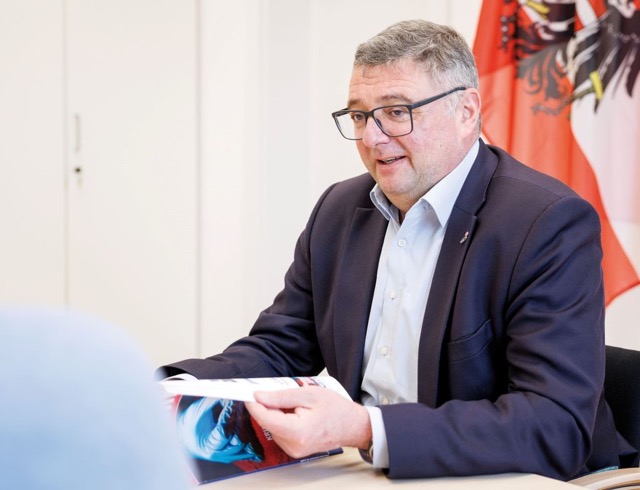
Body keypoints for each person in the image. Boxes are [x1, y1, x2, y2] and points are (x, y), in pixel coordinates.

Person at [160, 19, 638, 480]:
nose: (372, 138)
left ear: (466, 111)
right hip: (371, 471)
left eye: (396, 112)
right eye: (359, 115)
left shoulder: (546, 222)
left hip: (517, 477)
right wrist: (171, 391)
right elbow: (279, 347)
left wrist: (366, 428)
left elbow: (554, 425)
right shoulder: (338, 209)